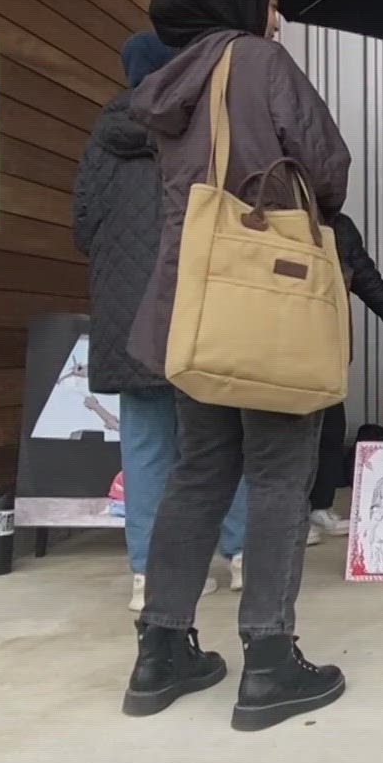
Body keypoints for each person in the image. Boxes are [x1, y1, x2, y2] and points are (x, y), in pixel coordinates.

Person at [120, 0, 351, 731]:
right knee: (281, 474)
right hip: (265, 300)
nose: (279, 15)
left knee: (198, 473)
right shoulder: (255, 61)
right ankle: (269, 661)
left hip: (193, 305)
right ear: (242, 2)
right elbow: (327, 168)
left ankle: (160, 651)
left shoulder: (173, 82)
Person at [74, 31, 244, 612]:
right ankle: (243, 553)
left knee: (146, 444)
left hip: (128, 316)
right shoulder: (199, 126)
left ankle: (149, 574)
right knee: (224, 433)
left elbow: (82, 226)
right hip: (197, 301)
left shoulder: (104, 137)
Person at [308, 210, 383, 544]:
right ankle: (290, 518)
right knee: (285, 440)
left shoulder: (339, 227)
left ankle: (320, 506)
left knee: (331, 429)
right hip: (276, 345)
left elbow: (372, 287)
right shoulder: (271, 216)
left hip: (328, 346)